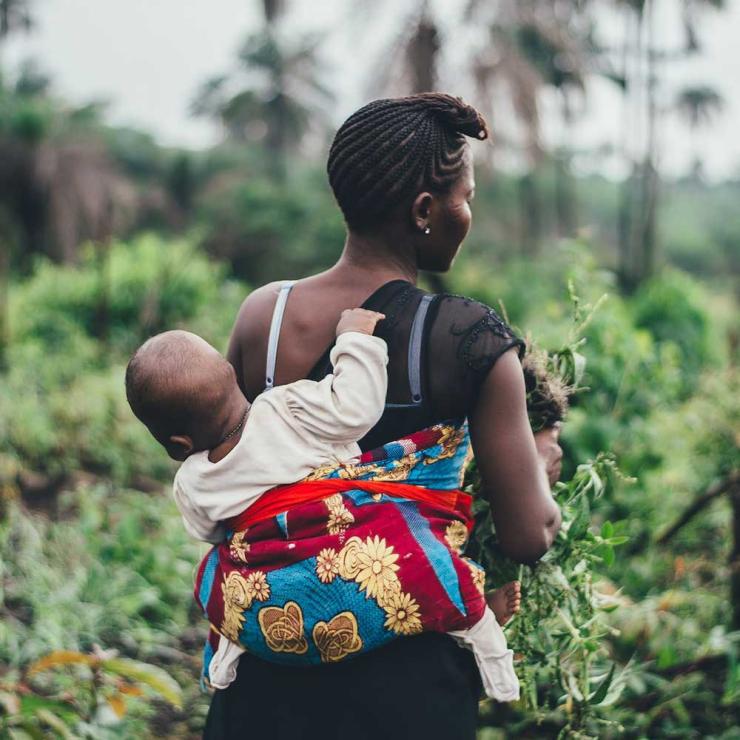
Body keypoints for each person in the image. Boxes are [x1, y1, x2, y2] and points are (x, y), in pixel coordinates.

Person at [207, 93, 562, 740]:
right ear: (425, 210)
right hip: (407, 692)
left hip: (266, 672)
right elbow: (528, 536)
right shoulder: (468, 338)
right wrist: (541, 459)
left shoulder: (266, 314)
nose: (469, 214)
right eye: (467, 197)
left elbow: (222, 471)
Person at [124, 308, 521, 700]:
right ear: (231, 375)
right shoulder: (285, 407)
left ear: (178, 445)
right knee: (419, 556)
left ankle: (228, 651)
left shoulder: (192, 481)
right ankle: (483, 635)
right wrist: (354, 339)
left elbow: (212, 533)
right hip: (348, 555)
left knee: (216, 573)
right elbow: (356, 409)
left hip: (274, 599)